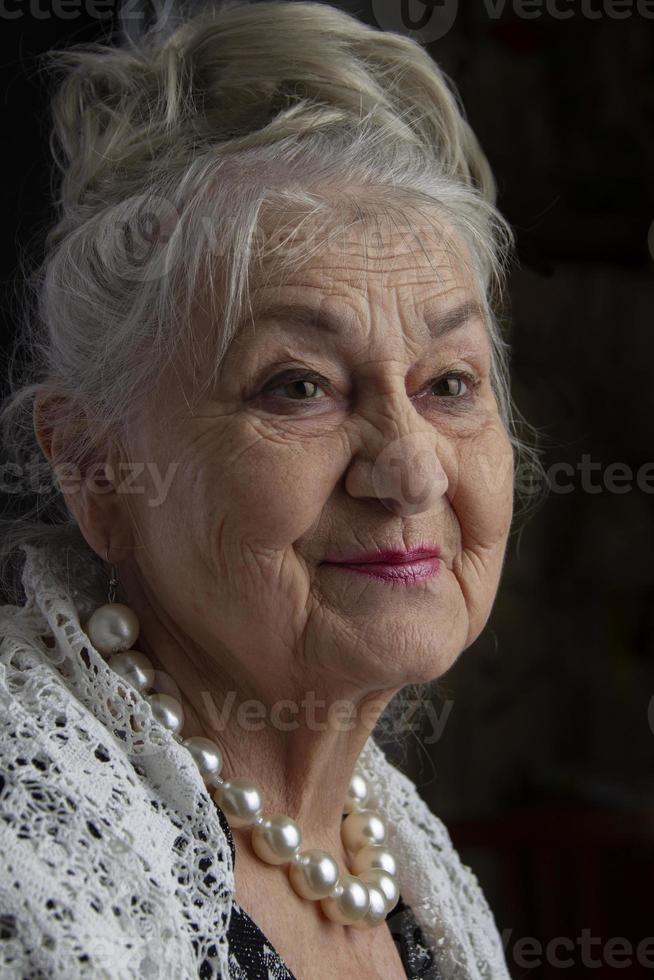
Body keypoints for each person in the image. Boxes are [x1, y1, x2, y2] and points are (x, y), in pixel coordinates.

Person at [0, 1, 536, 976]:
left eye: (448, 384)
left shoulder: (397, 853)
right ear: (95, 466)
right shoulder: (27, 842)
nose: (412, 467)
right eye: (300, 386)